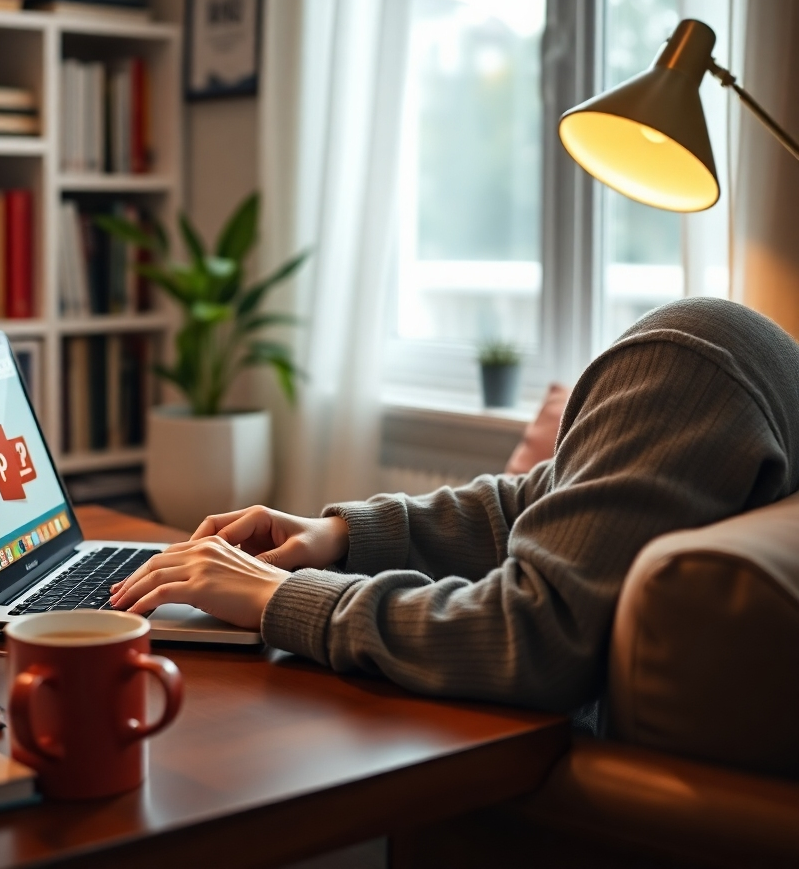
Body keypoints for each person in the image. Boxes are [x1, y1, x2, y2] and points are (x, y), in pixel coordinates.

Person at [111, 298, 799, 712]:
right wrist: (340, 536)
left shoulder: (690, 367)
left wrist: (282, 596)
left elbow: (531, 636)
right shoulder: (737, 361)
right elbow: (540, 500)